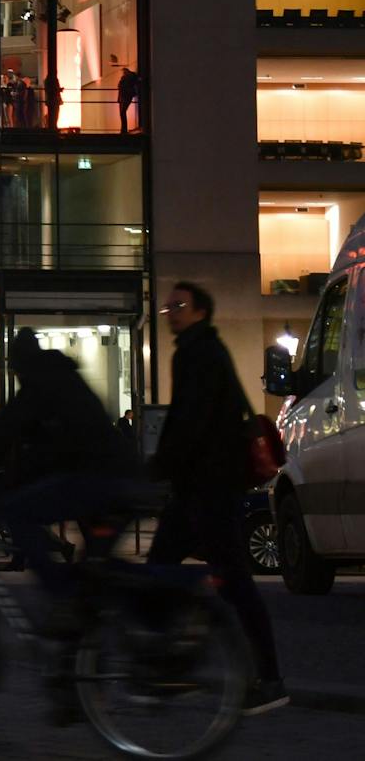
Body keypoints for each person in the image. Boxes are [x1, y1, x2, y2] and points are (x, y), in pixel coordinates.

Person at [149, 282, 287, 714]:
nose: (171, 312)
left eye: (179, 305)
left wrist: (158, 469)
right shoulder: (201, 349)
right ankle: (173, 664)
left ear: (202, 311)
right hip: (203, 485)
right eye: (168, 306)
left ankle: (265, 678)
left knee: (215, 577)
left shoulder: (198, 352)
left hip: (207, 487)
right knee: (176, 571)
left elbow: (190, 421)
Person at [0, 328, 137, 594]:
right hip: (117, 474)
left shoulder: (41, 385)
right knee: (95, 568)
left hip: (97, 477)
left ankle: (59, 594)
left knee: (16, 511)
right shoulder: (62, 377)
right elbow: (38, 448)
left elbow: (3, 430)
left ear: (18, 365)